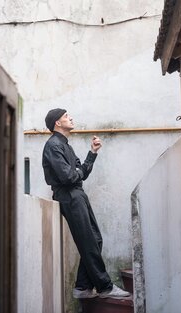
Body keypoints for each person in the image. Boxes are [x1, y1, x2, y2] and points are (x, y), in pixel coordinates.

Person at [42, 108, 131, 299]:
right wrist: (77, 173)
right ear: (57, 123)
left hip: (77, 194)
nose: (71, 118)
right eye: (66, 116)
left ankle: (82, 287)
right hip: (69, 196)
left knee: (95, 239)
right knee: (88, 241)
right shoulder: (53, 146)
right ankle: (105, 286)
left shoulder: (65, 145)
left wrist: (92, 153)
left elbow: (80, 171)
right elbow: (67, 177)